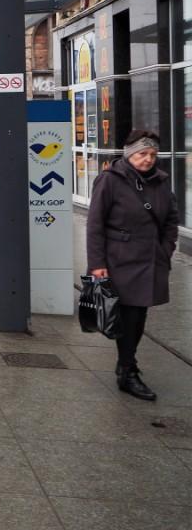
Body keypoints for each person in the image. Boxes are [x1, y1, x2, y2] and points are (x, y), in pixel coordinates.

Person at [87, 130, 178, 401]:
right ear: (129, 154)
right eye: (142, 153)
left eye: (152, 154)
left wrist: (165, 250)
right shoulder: (110, 180)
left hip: (151, 260)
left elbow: (171, 221)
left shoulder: (161, 182)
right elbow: (95, 224)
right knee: (129, 315)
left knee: (139, 314)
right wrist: (97, 264)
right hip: (120, 259)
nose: (148, 159)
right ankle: (127, 370)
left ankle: (126, 365)